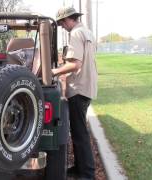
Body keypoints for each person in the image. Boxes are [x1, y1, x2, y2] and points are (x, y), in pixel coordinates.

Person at [52, 7, 98, 180]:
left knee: (79, 133)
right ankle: (80, 168)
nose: (63, 27)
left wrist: (54, 72)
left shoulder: (76, 34)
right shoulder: (87, 33)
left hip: (79, 88)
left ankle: (87, 174)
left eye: (62, 23)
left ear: (68, 19)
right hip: (87, 87)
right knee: (78, 130)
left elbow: (75, 64)